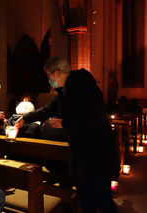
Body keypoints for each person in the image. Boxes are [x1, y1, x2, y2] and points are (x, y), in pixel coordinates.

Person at [15, 57, 120, 213]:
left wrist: (64, 124)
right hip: (81, 155)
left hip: (98, 153)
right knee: (85, 198)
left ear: (57, 73)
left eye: (49, 77)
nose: (50, 81)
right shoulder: (65, 93)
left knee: (103, 199)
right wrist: (25, 118)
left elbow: (93, 122)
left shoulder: (85, 89)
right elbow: (47, 110)